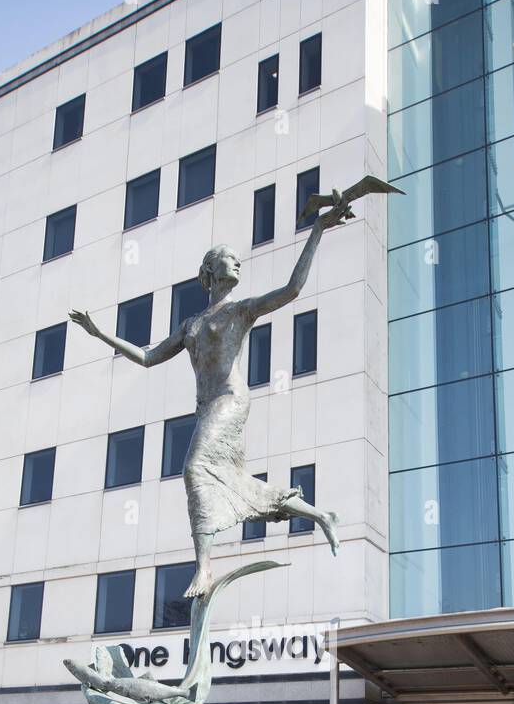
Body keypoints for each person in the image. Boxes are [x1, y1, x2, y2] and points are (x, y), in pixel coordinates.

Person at [69, 199, 348, 597]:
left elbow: (293, 289)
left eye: (238, 260)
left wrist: (318, 228)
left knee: (194, 468)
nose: (238, 263)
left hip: (231, 400)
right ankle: (321, 515)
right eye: (229, 259)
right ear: (210, 270)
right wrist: (100, 334)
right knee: (237, 482)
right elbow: (149, 357)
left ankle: (204, 569)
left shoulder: (241, 310)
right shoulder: (191, 324)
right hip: (206, 409)